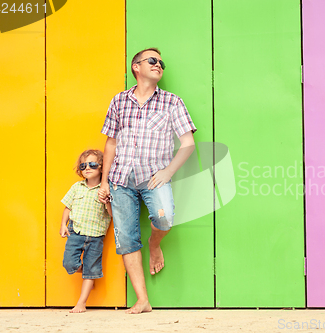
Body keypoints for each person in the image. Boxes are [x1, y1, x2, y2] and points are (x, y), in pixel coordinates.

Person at [98, 47, 197, 314]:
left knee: (164, 219)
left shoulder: (172, 102)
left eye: (161, 63)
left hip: (154, 178)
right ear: (136, 67)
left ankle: (154, 244)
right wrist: (105, 181)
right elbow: (111, 143)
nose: (159, 65)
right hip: (120, 179)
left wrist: (167, 173)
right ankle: (143, 300)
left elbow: (187, 144)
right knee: (127, 239)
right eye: (152, 60)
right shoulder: (119, 101)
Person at [60, 149, 112, 313]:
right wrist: (63, 224)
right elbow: (67, 207)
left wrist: (106, 202)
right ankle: (90, 274)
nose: (87, 168)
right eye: (83, 165)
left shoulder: (106, 189)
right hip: (76, 232)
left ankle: (81, 303)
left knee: (91, 268)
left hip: (96, 236)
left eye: (92, 164)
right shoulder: (77, 187)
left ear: (102, 167)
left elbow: (112, 215)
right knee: (69, 264)